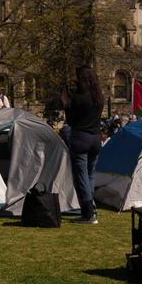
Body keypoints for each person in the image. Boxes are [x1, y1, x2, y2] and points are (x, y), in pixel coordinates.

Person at [61, 65, 104, 224]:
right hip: (96, 139)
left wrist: (66, 104)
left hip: (81, 138)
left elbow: (71, 121)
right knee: (90, 175)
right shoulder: (99, 98)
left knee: (81, 178)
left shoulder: (79, 98)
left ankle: (88, 213)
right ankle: (92, 208)